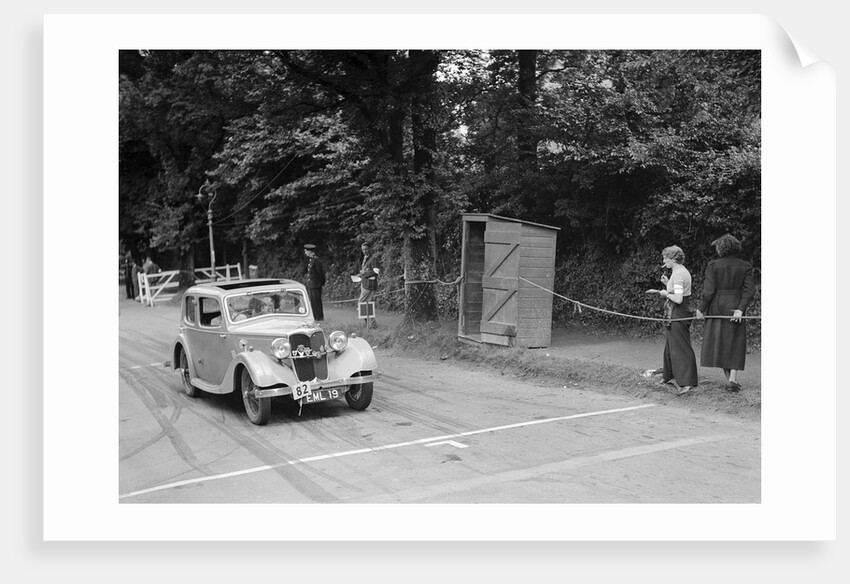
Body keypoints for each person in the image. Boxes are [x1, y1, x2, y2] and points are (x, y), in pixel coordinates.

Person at [696, 234, 756, 392]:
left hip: (717, 307)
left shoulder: (713, 265)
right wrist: (741, 309)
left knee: (720, 343)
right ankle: (732, 379)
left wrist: (700, 308)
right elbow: (749, 291)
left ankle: (731, 380)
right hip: (735, 306)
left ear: (721, 248)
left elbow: (709, 291)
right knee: (735, 342)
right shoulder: (745, 266)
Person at [646, 245, 698, 395]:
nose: (663, 261)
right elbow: (675, 290)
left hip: (679, 312)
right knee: (670, 344)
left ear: (673, 259)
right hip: (674, 312)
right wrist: (667, 283)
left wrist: (665, 293)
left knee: (681, 346)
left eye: (665, 258)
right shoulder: (677, 272)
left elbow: (679, 298)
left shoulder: (680, 274)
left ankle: (687, 382)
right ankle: (669, 375)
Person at [357, 242, 380, 328]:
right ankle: (371, 323)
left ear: (370, 248)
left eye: (366, 249)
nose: (364, 251)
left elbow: (376, 271)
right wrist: (360, 274)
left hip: (369, 285)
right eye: (363, 250)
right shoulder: (365, 258)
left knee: (361, 303)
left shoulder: (373, 258)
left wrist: (364, 273)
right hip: (364, 283)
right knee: (367, 303)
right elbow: (366, 270)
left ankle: (368, 323)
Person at [303, 244, 326, 321]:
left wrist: (321, 283)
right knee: (313, 302)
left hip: (316, 284)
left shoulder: (316, 260)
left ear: (310, 251)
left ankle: (319, 317)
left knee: (317, 302)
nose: (305, 252)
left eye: (306, 251)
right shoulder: (311, 260)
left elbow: (321, 273)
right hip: (312, 284)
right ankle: (315, 316)